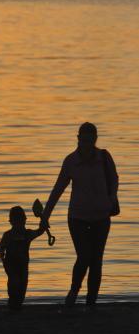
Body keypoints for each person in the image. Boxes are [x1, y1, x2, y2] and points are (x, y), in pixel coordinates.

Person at [41, 122, 119, 307]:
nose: (86, 144)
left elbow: (114, 179)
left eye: (90, 140)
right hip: (77, 218)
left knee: (96, 260)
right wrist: (46, 215)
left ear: (95, 140)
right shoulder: (71, 161)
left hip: (101, 216)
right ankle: (73, 292)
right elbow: (58, 188)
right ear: (78, 139)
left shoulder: (104, 158)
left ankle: (91, 302)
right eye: (83, 140)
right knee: (84, 256)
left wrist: (110, 199)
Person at [0, 206, 46, 309]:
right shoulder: (8, 235)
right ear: (11, 222)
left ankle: (17, 306)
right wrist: (3, 260)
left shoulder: (27, 234)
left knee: (22, 286)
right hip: (11, 265)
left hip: (23, 265)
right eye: (16, 221)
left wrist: (43, 220)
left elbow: (40, 231)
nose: (19, 224)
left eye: (21, 221)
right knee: (14, 284)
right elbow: (0, 247)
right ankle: (12, 305)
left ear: (25, 220)